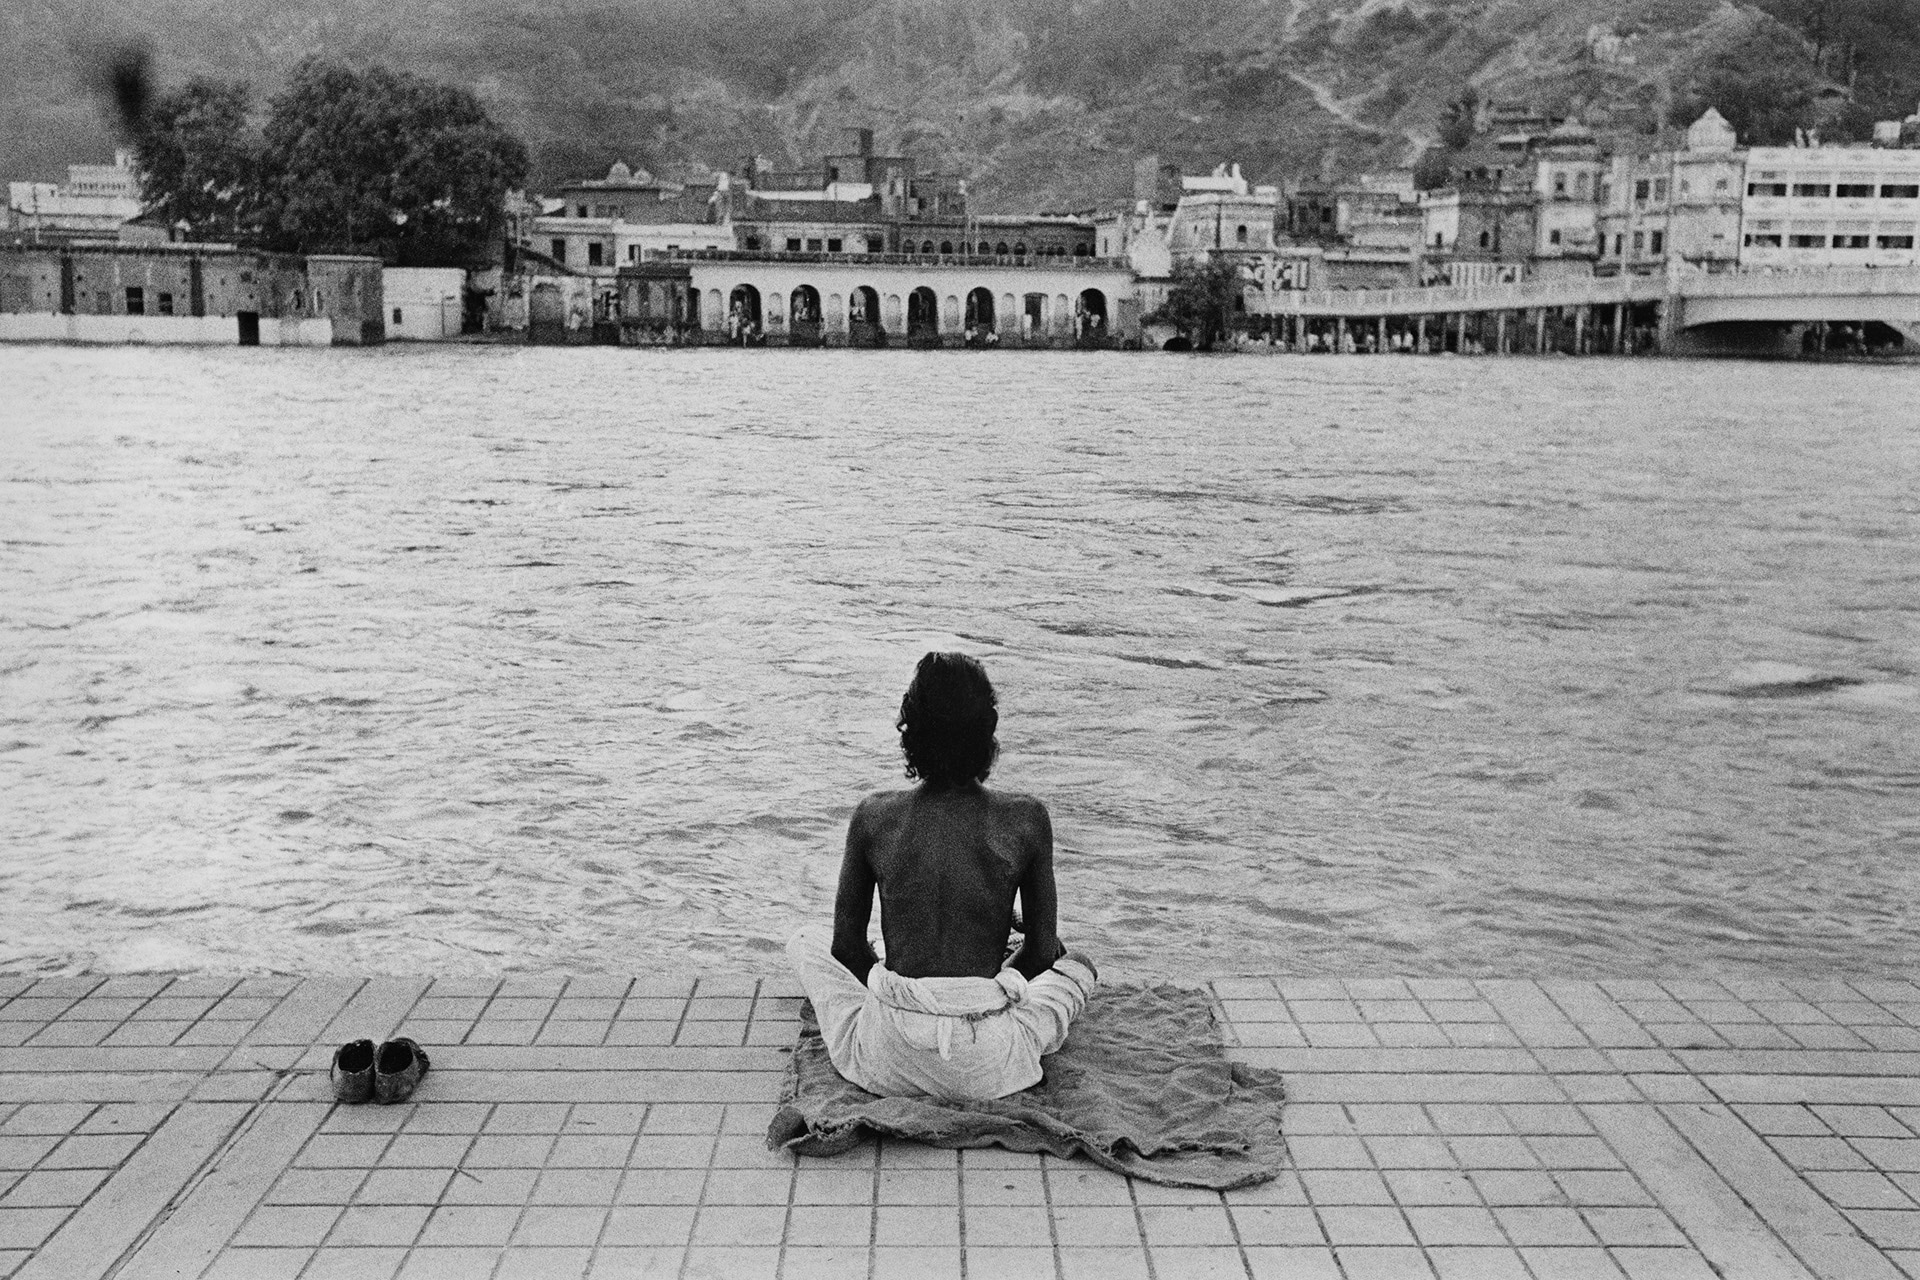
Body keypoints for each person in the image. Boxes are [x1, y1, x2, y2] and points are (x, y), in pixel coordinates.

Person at [788, 653, 1097, 1102]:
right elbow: (1041, 951)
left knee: (806, 941)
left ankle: (898, 991)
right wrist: (992, 987)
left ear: (911, 734)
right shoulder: (1027, 819)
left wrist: (891, 989)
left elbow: (845, 947)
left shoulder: (874, 816)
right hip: (988, 1060)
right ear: (987, 736)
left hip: (890, 1053)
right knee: (1073, 968)